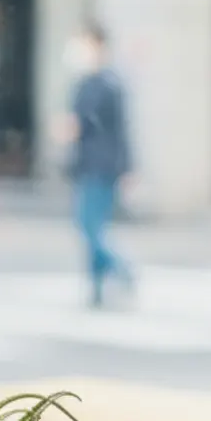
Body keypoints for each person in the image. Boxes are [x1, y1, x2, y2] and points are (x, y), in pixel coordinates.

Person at [58, 21, 134, 308]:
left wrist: (127, 168)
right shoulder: (89, 82)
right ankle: (97, 288)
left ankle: (122, 269)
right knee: (92, 226)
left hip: (101, 166)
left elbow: (115, 129)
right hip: (90, 164)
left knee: (90, 226)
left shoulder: (106, 84)